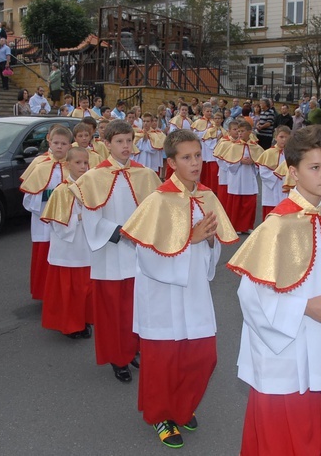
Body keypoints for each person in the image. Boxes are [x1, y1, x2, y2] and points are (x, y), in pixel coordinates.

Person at [227, 125, 321, 455]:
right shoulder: (276, 225)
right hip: (280, 350)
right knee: (276, 436)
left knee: (310, 430)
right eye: (315, 167)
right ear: (293, 172)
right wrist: (304, 307)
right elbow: (250, 295)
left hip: (315, 341)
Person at [121, 129, 238, 448]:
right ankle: (161, 414)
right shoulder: (157, 201)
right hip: (162, 295)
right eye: (187, 157)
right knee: (163, 360)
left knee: (203, 357)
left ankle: (182, 407)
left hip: (195, 291)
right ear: (171, 162)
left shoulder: (207, 197)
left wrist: (210, 241)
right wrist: (192, 239)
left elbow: (210, 253)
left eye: (198, 155)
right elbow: (146, 256)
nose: (196, 162)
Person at [72, 121, 161, 383]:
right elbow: (91, 217)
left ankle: (133, 349)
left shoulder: (144, 174)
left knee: (136, 307)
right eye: (119, 141)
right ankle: (117, 358)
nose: (125, 146)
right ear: (107, 143)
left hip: (137, 253)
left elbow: (155, 210)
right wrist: (122, 232)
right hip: (110, 253)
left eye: (128, 140)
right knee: (113, 311)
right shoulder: (93, 177)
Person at [39, 146, 93, 338]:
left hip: (85, 246)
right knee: (70, 290)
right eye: (78, 163)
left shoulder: (91, 187)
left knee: (85, 288)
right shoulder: (62, 190)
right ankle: (70, 325)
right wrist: (80, 217)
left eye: (86, 162)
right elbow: (57, 223)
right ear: (67, 164)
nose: (83, 166)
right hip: (68, 247)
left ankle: (84, 320)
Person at [19, 125, 72, 300]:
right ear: (49, 140)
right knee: (44, 252)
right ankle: (43, 292)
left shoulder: (74, 165)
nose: (59, 146)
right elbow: (28, 197)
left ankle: (60, 292)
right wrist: (49, 194)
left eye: (63, 143)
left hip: (66, 218)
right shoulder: (39, 163)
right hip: (43, 218)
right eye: (56, 142)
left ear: (70, 145)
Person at [217, 120, 264, 234]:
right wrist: (240, 161)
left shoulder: (256, 147)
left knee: (248, 203)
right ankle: (236, 226)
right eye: (238, 131)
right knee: (236, 203)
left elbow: (261, 163)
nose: (240, 133)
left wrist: (253, 162)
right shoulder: (233, 146)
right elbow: (228, 163)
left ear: (249, 132)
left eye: (242, 131)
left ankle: (247, 225)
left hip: (249, 177)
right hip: (237, 177)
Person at [256, 125, 290, 218]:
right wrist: (278, 175)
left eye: (286, 137)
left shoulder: (292, 153)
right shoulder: (268, 153)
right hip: (273, 187)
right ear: (276, 137)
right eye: (281, 137)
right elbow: (263, 172)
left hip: (286, 186)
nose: (284, 140)